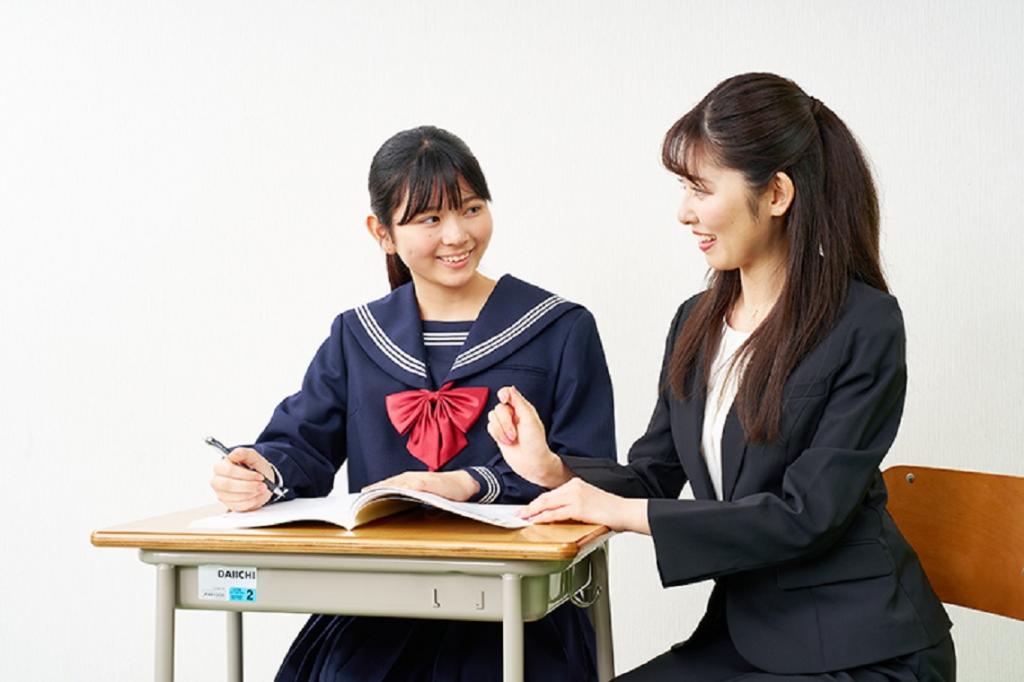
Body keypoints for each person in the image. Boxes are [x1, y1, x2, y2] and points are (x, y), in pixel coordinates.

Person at [487, 73, 955, 681]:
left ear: (778, 193)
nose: (684, 212)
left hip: (861, 649)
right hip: (747, 637)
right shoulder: (695, 323)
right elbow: (653, 475)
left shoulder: (864, 323)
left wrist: (628, 515)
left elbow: (806, 514)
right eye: (683, 188)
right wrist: (554, 470)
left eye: (700, 188)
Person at [208, 125, 616, 681]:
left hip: (517, 606)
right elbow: (300, 444)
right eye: (429, 219)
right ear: (382, 232)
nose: (456, 234)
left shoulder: (559, 330)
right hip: (379, 607)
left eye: (471, 209)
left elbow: (593, 473)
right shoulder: (357, 336)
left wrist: (471, 482)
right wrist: (260, 472)